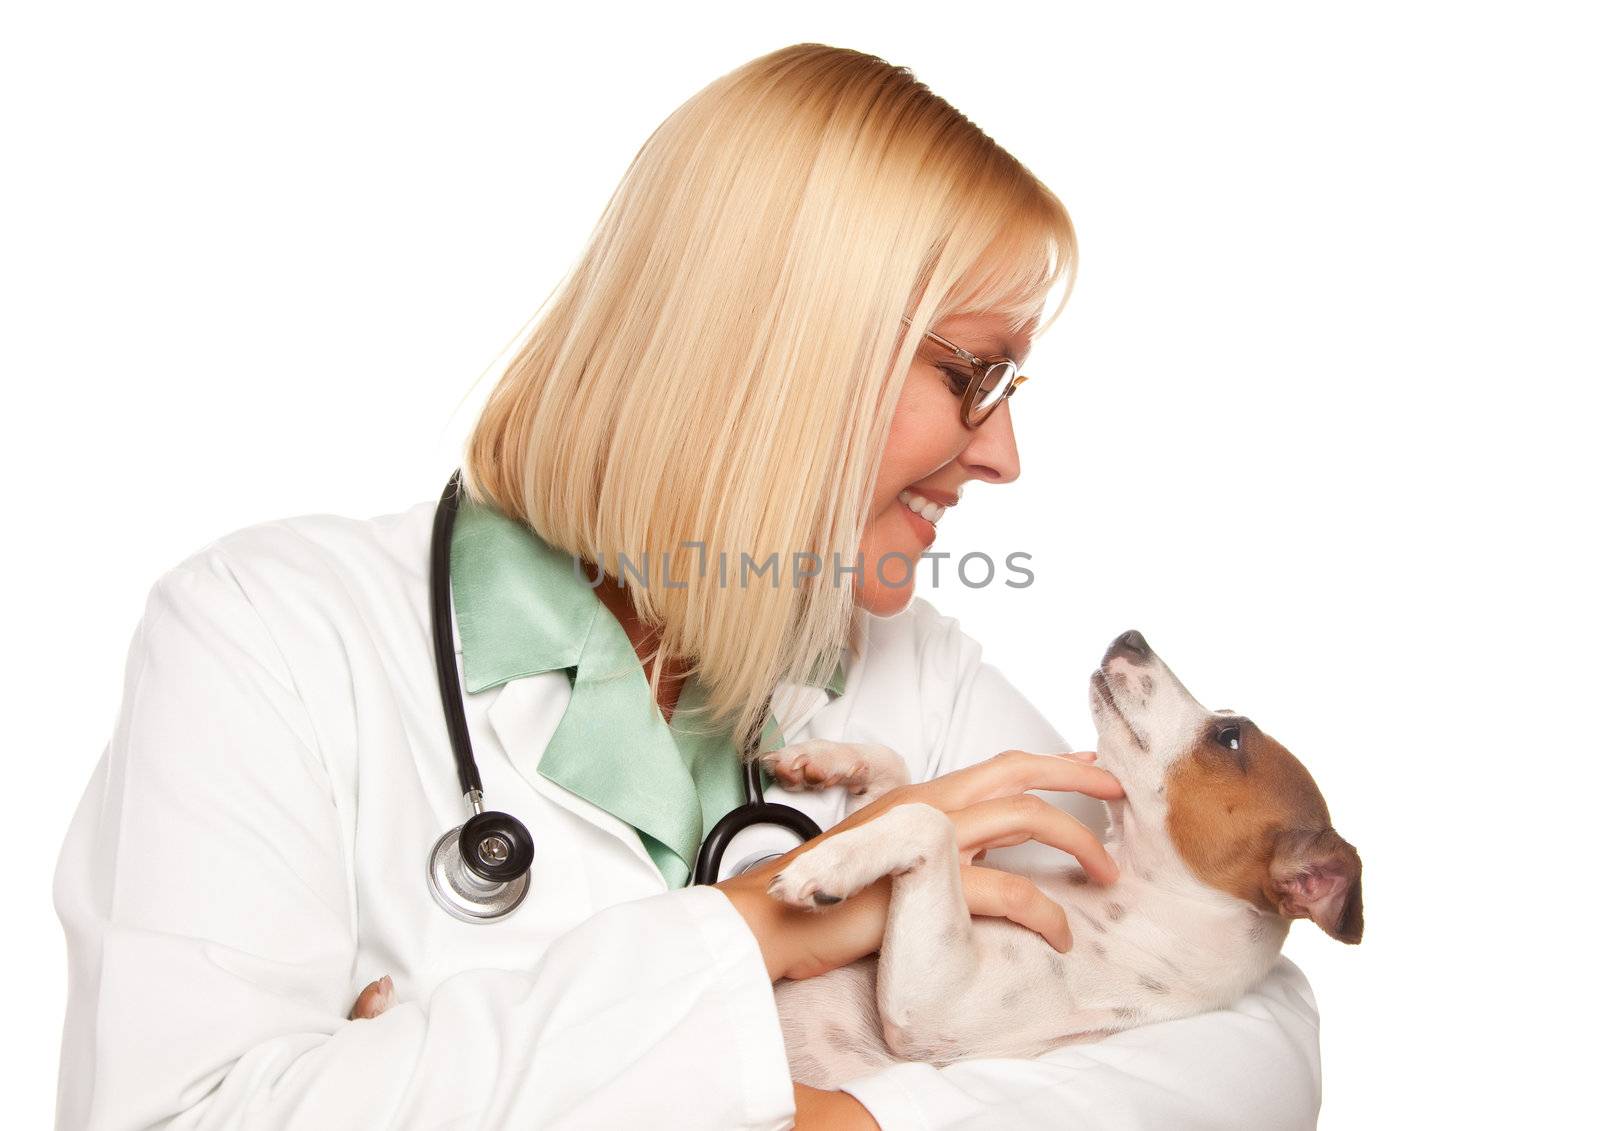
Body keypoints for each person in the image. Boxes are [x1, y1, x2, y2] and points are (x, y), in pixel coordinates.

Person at [52, 43, 1320, 1130]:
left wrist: (842, 1119)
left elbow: (1247, 1041)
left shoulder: (920, 683)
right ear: (786, 345)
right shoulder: (272, 633)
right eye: (970, 377)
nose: (1002, 455)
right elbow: (196, 1113)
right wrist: (752, 933)